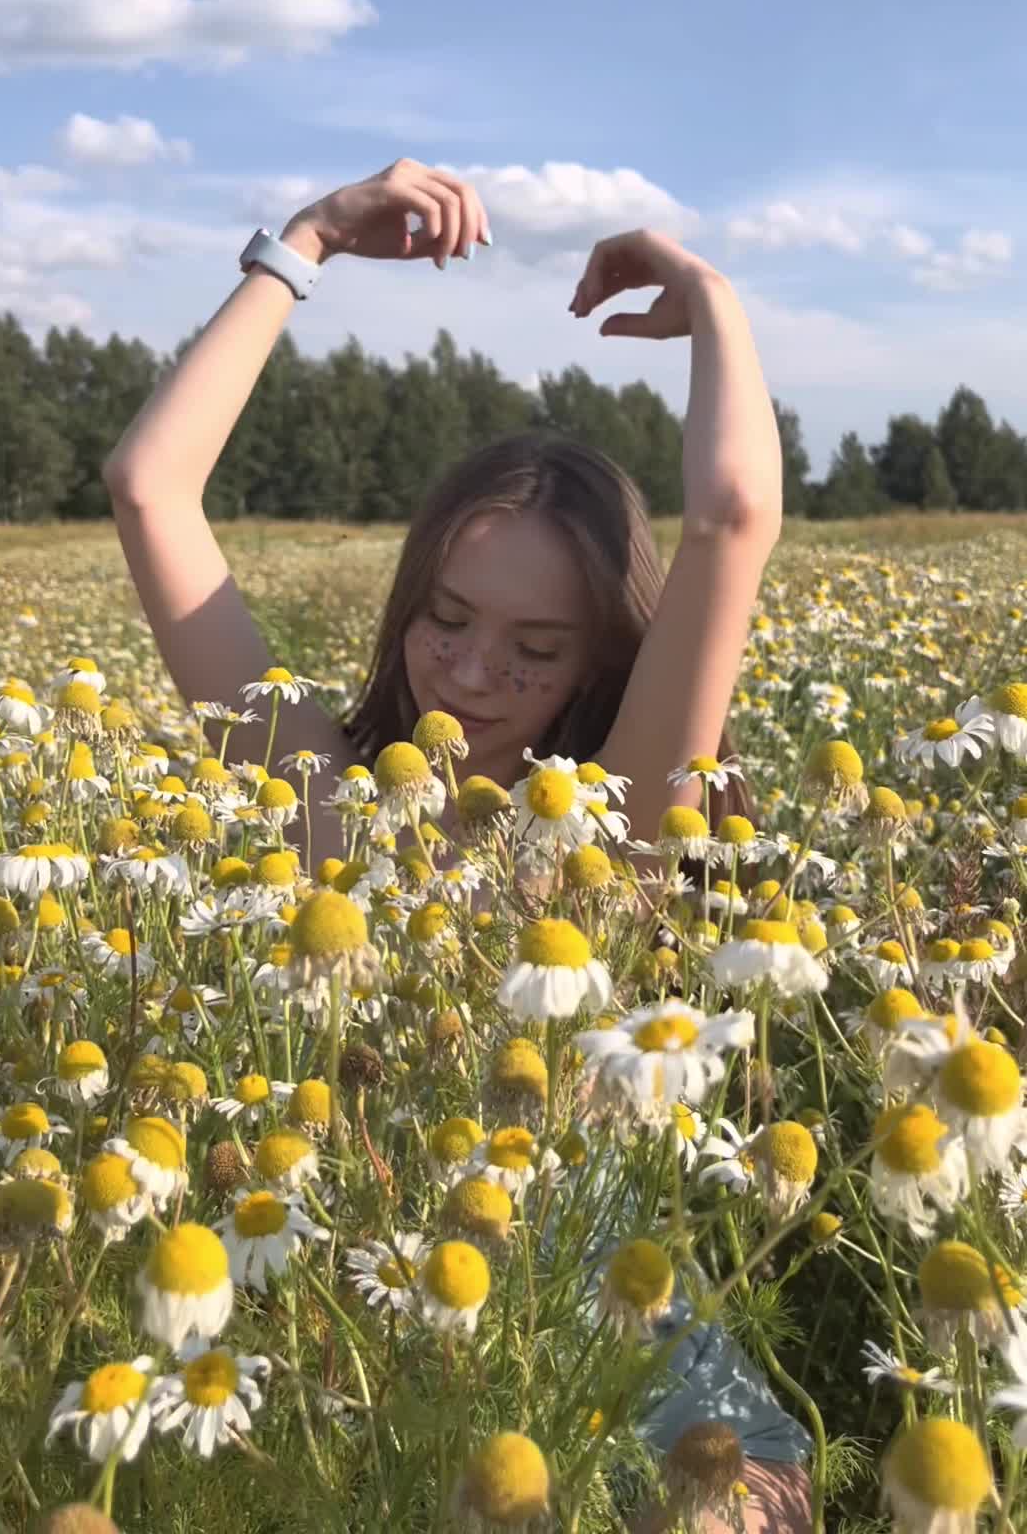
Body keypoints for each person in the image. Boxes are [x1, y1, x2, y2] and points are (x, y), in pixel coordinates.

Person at [102, 159, 809, 1531]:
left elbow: (733, 519)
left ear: (598, 661)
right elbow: (148, 489)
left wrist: (712, 296)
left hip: (618, 1357)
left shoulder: (616, 826)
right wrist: (307, 240)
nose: (472, 676)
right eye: (446, 618)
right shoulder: (322, 806)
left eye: (536, 647)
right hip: (371, 1364)